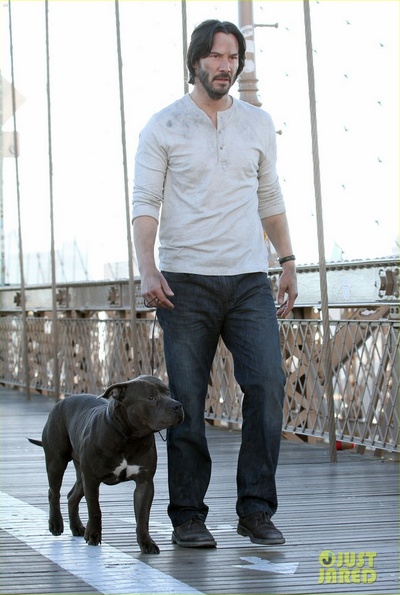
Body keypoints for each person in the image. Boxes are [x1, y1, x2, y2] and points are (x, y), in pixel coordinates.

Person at [132, 19, 298, 549]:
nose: (225, 66)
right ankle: (188, 515)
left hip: (249, 279)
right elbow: (145, 204)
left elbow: (270, 198)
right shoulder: (164, 126)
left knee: (268, 385)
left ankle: (256, 509)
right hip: (185, 282)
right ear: (195, 62)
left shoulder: (258, 124)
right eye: (215, 56)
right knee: (185, 399)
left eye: (232, 57)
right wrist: (148, 267)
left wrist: (288, 260)